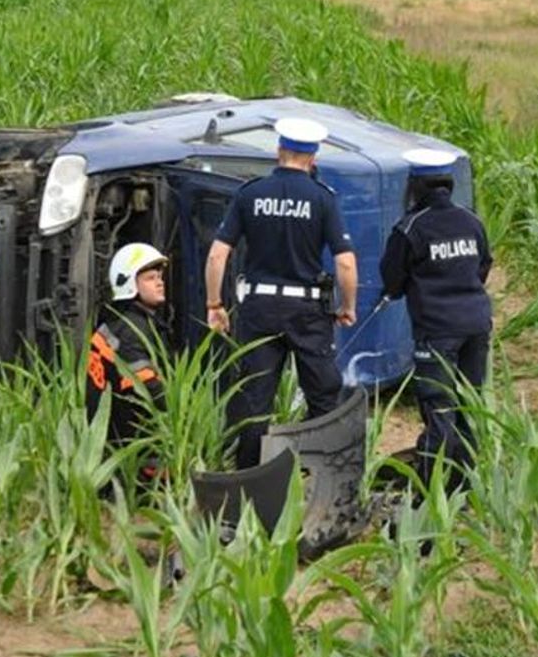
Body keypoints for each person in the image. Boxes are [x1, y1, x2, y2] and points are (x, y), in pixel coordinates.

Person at [204, 117, 358, 468]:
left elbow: (217, 255)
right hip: (307, 313)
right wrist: (346, 305)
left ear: (278, 152)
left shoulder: (250, 193)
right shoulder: (322, 199)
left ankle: (248, 483)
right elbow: (346, 263)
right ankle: (322, 476)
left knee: (254, 403)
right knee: (323, 399)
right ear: (312, 158)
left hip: (259, 308)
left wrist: (215, 303)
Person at [379, 148, 492, 490]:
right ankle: (466, 478)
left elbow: (392, 282)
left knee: (438, 404)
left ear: (415, 186)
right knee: (469, 400)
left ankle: (432, 485)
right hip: (476, 323)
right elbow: (483, 266)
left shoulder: (410, 227)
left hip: (437, 330)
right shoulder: (471, 221)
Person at [87, 242, 169, 458]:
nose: (160, 283)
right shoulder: (131, 330)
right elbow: (150, 389)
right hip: (124, 441)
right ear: (129, 284)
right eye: (150, 278)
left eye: (160, 277)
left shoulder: (122, 322)